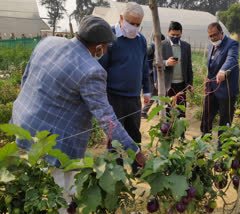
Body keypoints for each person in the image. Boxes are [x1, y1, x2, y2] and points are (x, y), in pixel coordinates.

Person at [11, 15, 147, 211]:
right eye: (107, 46)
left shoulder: (48, 43)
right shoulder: (92, 70)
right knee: (58, 196)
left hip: (24, 126)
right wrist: (135, 151)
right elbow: (106, 119)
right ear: (99, 47)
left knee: (33, 184)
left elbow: (26, 78)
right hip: (55, 144)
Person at [99, 2, 150, 174]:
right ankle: (115, 172)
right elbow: (101, 68)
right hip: (113, 97)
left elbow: (144, 67)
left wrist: (147, 91)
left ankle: (137, 168)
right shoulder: (110, 38)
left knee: (134, 133)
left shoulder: (141, 40)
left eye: (138, 24)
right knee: (115, 138)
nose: (134, 27)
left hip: (134, 97)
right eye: (131, 23)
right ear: (121, 19)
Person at [200, 22, 239, 144]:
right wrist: (207, 76)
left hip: (225, 89)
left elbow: (231, 59)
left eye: (215, 35)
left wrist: (223, 71)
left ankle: (222, 144)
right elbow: (212, 64)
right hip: (211, 86)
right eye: (210, 36)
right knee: (206, 113)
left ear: (222, 33)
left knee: (225, 118)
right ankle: (205, 137)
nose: (213, 38)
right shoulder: (212, 45)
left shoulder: (232, 44)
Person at [162, 21, 193, 119]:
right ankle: (168, 133)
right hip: (167, 84)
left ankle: (181, 134)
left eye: (177, 35)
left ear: (181, 34)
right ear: (168, 33)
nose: (175, 37)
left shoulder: (186, 46)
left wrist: (190, 83)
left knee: (181, 111)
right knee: (167, 111)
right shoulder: (162, 45)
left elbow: (189, 66)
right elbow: (155, 62)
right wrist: (166, 62)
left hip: (181, 85)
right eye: (173, 35)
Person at [141, 33, 165, 119]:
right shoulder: (151, 47)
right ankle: (143, 111)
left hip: (154, 73)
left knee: (158, 91)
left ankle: (159, 110)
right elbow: (142, 57)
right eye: (161, 41)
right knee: (154, 92)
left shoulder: (156, 48)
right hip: (150, 74)